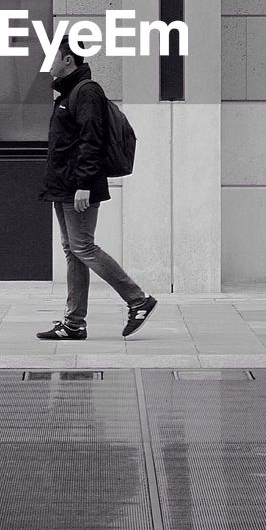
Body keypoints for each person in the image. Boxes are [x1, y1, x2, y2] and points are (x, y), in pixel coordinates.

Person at [36, 37, 156, 340]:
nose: (48, 63)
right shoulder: (67, 92)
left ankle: (138, 299)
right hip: (64, 184)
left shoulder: (86, 91)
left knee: (83, 247)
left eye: (53, 56)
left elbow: (93, 139)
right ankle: (73, 324)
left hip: (78, 185)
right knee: (73, 251)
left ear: (68, 60)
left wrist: (85, 185)